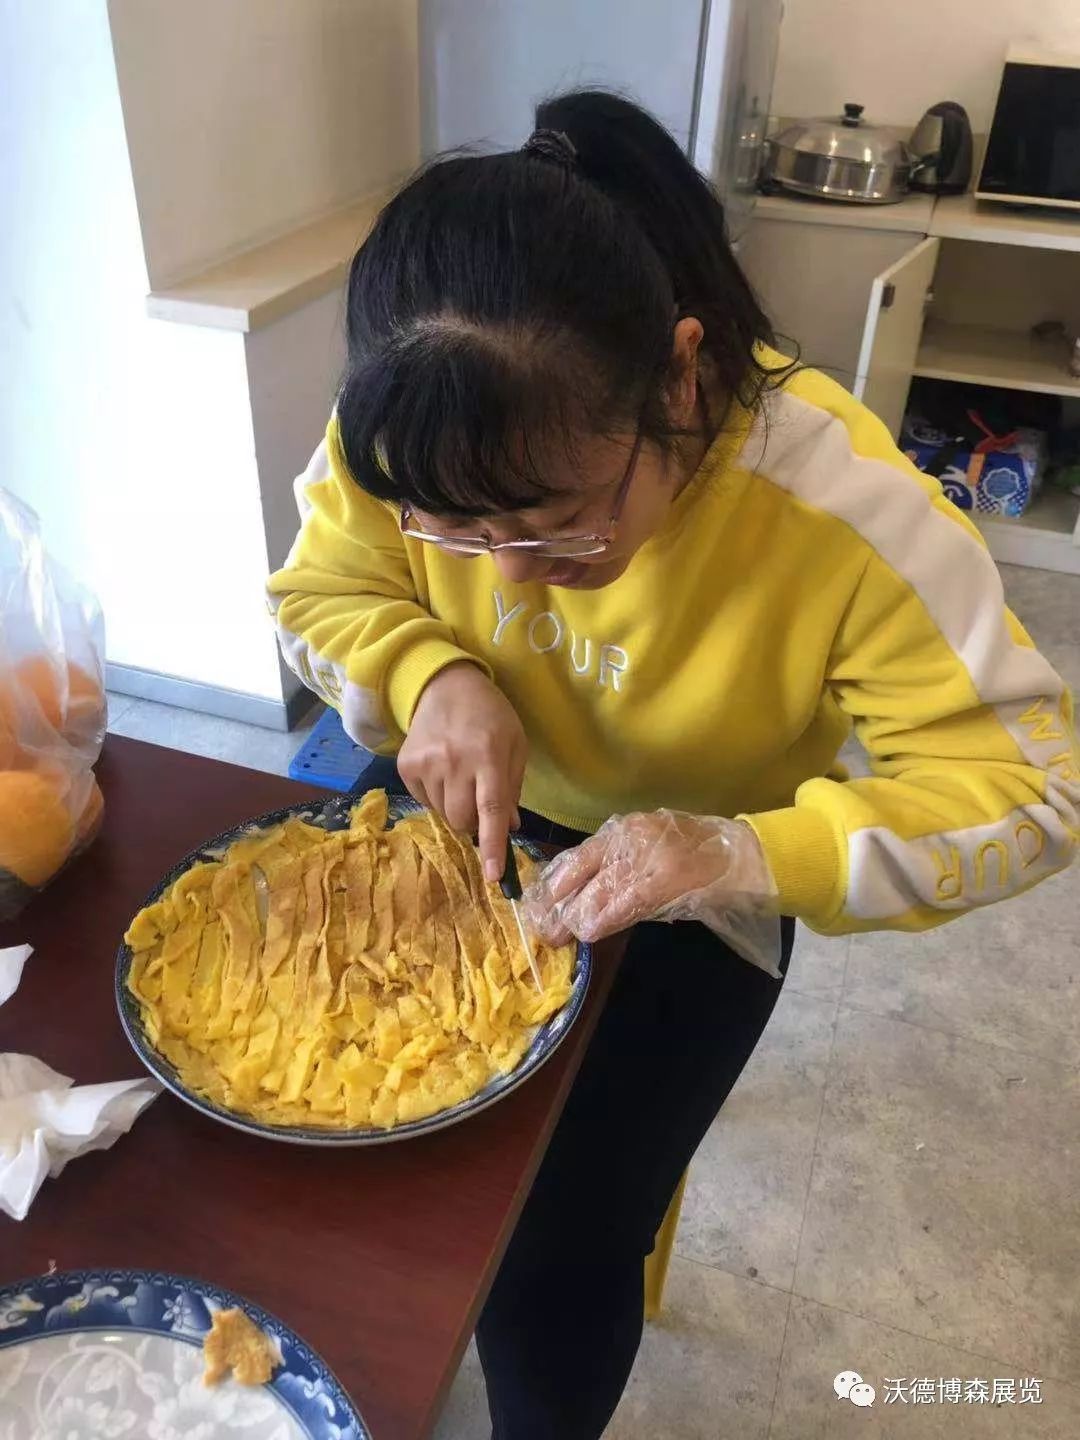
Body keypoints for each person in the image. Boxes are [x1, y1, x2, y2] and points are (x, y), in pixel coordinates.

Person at [268, 90, 1078, 1438]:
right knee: (323, 1133)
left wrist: (744, 852)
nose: (513, 580)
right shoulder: (418, 415)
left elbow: (1034, 790)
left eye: (562, 526)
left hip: (700, 879)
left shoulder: (842, 504)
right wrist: (429, 671)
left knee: (548, 1260)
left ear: (680, 378)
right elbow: (318, 587)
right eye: (455, 535)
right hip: (462, 809)